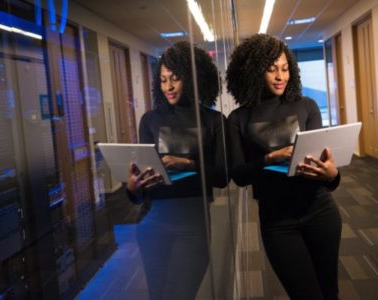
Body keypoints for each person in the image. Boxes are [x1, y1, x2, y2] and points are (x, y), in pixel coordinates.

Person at [226, 33, 342, 300]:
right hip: (278, 222)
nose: (280, 76)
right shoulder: (238, 119)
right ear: (254, 72)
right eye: (271, 69)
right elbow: (239, 176)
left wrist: (333, 175)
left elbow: (325, 167)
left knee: (329, 292)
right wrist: (268, 159)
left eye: (285, 68)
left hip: (320, 211)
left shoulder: (307, 106)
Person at [126, 41, 229, 300]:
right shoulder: (150, 120)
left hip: (192, 225)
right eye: (163, 80)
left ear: (193, 78)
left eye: (175, 78)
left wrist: (188, 164)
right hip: (152, 222)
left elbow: (222, 176)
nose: (168, 87)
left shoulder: (213, 121)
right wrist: (133, 188)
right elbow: (143, 180)